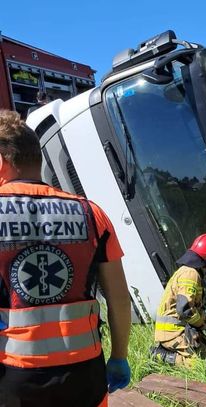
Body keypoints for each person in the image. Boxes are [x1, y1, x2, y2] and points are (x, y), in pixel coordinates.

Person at [0, 110, 131, 406]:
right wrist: (119, 356)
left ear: (1, 162)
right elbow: (120, 299)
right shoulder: (92, 214)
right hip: (85, 373)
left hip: (13, 379)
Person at [152, 233, 206, 366]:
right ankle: (159, 356)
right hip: (173, 332)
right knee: (202, 364)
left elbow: (192, 306)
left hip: (181, 328)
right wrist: (205, 325)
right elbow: (185, 310)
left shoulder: (189, 271)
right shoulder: (190, 273)